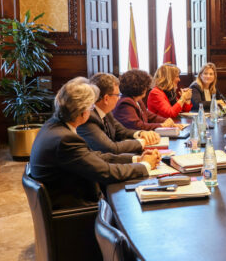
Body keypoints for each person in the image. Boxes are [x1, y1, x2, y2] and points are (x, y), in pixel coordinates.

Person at [29, 77, 160, 209]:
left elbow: (95, 157)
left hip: (67, 201)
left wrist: (137, 159)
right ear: (83, 111)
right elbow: (106, 172)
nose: (92, 110)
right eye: (91, 106)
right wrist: (145, 166)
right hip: (77, 209)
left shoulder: (53, 126)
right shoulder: (65, 140)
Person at [78, 73, 161, 154]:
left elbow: (122, 131)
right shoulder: (89, 117)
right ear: (106, 99)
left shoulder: (107, 112)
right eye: (117, 95)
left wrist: (141, 134)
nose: (119, 98)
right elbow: (111, 148)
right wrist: (143, 142)